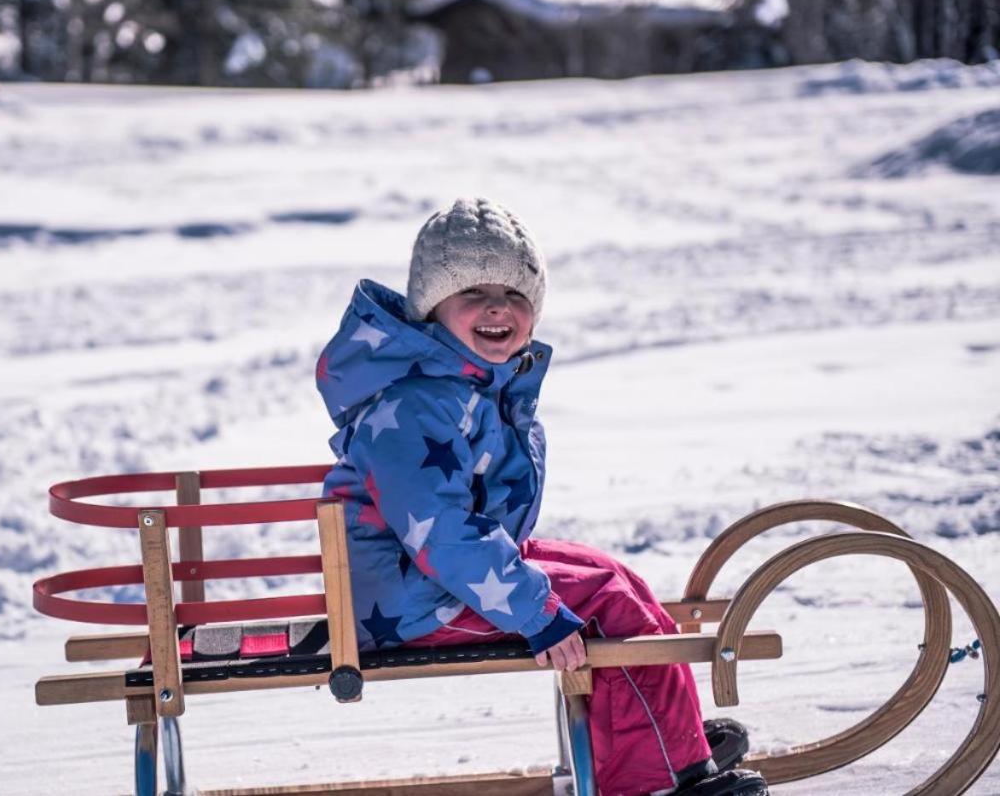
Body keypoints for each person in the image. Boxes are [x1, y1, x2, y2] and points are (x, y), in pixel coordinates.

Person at [315, 198, 767, 796]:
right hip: (415, 602)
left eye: (516, 293)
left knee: (615, 576)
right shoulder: (416, 404)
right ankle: (656, 778)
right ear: (432, 309)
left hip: (432, 583)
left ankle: (666, 737)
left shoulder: (469, 387)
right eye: (472, 291)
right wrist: (534, 611)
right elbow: (440, 529)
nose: (498, 306)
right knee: (604, 604)